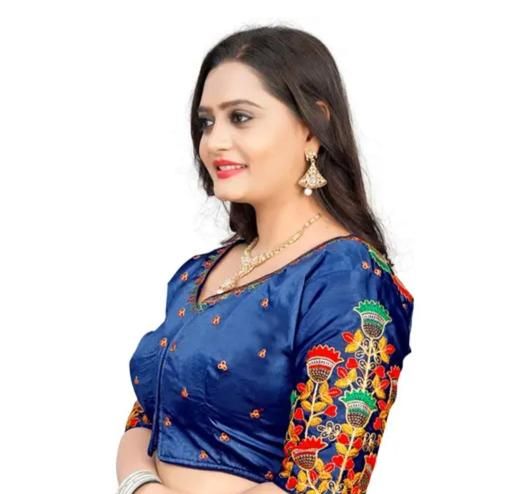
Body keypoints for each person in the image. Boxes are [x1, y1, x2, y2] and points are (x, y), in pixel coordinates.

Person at [115, 25, 415, 494]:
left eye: (240, 117)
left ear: (312, 127)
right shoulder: (197, 273)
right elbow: (149, 414)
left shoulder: (348, 279)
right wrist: (140, 485)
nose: (213, 142)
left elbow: (323, 481)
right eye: (206, 122)